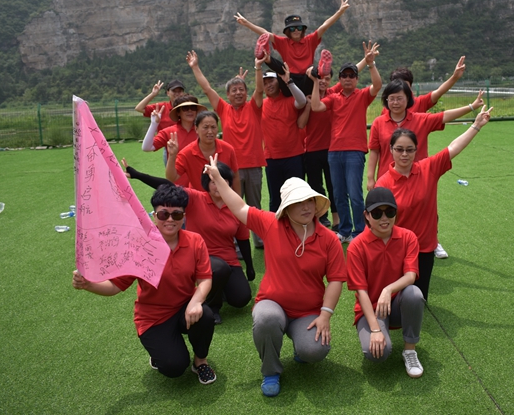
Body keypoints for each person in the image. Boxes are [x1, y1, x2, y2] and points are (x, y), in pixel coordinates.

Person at [205, 156, 346, 397]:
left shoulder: (329, 239)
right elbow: (239, 207)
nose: (306, 207)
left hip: (308, 311)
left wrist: (325, 315)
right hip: (273, 303)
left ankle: (301, 347)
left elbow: (335, 279)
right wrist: (218, 179)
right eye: (298, 203)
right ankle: (271, 370)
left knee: (316, 350)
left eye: (309, 201)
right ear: (286, 208)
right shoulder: (271, 224)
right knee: (266, 319)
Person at [71, 184, 217, 384]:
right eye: (163, 214)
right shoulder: (140, 245)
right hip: (153, 317)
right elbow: (115, 286)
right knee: (174, 367)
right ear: (154, 216)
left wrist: (196, 301)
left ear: (184, 217)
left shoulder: (195, 241)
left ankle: (200, 362)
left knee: (205, 315)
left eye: (176, 214)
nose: (170, 220)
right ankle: (160, 353)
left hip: (184, 307)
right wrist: (88, 285)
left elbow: (205, 278)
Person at [375, 106, 493, 301]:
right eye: (399, 149)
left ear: (416, 150)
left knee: (418, 299)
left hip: (424, 248)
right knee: (395, 301)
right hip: (396, 250)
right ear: (391, 150)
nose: (404, 154)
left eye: (409, 150)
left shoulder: (428, 168)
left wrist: (476, 125)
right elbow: (378, 224)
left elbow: (453, 148)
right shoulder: (383, 184)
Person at [123, 159, 255, 325]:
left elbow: (243, 239)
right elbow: (166, 186)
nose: (217, 186)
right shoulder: (195, 198)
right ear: (206, 184)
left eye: (222, 181)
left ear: (228, 183)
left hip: (229, 259)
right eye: (213, 182)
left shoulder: (235, 206)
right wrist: (137, 175)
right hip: (199, 257)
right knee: (218, 269)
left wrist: (249, 266)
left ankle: (217, 288)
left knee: (241, 298)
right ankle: (212, 306)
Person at [186, 50, 266, 248]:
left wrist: (258, 67)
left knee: (254, 206)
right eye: (234, 90)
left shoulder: (254, 107)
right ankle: (235, 243)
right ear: (227, 95)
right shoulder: (223, 109)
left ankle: (258, 240)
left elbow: (260, 89)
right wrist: (195, 67)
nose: (238, 93)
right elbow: (207, 88)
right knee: (230, 205)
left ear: (246, 93)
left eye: (241, 89)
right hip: (230, 169)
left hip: (253, 166)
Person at [346, 187, 425, 378]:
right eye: (377, 213)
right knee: (377, 353)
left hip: (397, 305)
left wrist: (388, 290)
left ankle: (410, 351)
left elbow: (411, 276)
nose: (384, 218)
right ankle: (379, 330)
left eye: (390, 212)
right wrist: (375, 329)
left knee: (414, 293)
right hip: (370, 309)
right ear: (366, 215)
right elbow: (361, 292)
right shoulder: (356, 247)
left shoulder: (408, 237)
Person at [309, 41, 382, 243]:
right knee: (339, 195)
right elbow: (315, 106)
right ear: (340, 79)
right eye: (344, 76)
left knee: (355, 194)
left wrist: (370, 64)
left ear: (356, 79)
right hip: (334, 153)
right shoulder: (334, 98)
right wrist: (315, 81)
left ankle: (360, 231)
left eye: (352, 75)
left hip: (354, 152)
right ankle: (344, 230)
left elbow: (377, 86)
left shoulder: (362, 96)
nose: (348, 78)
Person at [368, 81, 485, 185]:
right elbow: (374, 151)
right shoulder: (378, 123)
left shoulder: (421, 120)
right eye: (391, 99)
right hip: (387, 178)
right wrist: (370, 178)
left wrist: (472, 107)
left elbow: (444, 116)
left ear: (408, 99)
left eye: (399, 98)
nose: (395, 102)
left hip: (417, 178)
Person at [234, 0, 349, 95]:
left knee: (311, 71)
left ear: (303, 29)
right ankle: (263, 55)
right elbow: (265, 33)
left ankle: (321, 70)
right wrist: (246, 23)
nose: (296, 30)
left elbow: (324, 26)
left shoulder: (310, 40)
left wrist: (340, 11)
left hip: (306, 80)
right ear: (288, 31)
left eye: (299, 28)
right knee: (278, 66)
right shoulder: (283, 42)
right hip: (289, 80)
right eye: (293, 28)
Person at [256, 55, 308, 213]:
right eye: (265, 83)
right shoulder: (261, 104)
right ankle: (275, 227)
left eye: (271, 81)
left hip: (294, 156)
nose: (268, 85)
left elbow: (302, 101)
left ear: (278, 81)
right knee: (275, 198)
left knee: (297, 195)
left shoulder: (289, 100)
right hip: (272, 158)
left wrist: (289, 82)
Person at [300, 65, 339, 230]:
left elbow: (353, 73)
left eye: (327, 79)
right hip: (312, 150)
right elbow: (301, 124)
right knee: (316, 187)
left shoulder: (334, 94)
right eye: (320, 78)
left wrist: (367, 61)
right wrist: (308, 105)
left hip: (332, 149)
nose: (323, 81)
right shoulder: (307, 97)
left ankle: (337, 220)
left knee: (333, 185)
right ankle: (322, 217)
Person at [166, 111, 240, 193]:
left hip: (223, 198)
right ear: (196, 129)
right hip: (198, 198)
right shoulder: (186, 153)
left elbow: (235, 177)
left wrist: (238, 199)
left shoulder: (228, 149)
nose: (210, 131)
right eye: (205, 127)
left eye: (213, 127)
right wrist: (172, 156)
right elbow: (171, 178)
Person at [142, 95, 206, 163]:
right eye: (185, 108)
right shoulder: (168, 132)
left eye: (193, 107)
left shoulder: (204, 130)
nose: (190, 110)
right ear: (178, 112)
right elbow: (147, 147)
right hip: (176, 169)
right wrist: (154, 124)